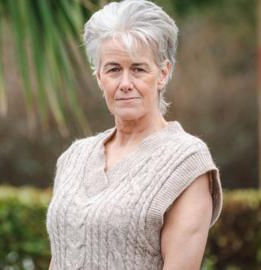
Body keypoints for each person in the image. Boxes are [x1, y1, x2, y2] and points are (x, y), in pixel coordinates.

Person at [45, 0, 223, 269]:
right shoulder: (73, 158)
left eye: (138, 69)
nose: (125, 83)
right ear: (99, 78)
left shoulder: (186, 163)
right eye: (114, 69)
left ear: (163, 74)